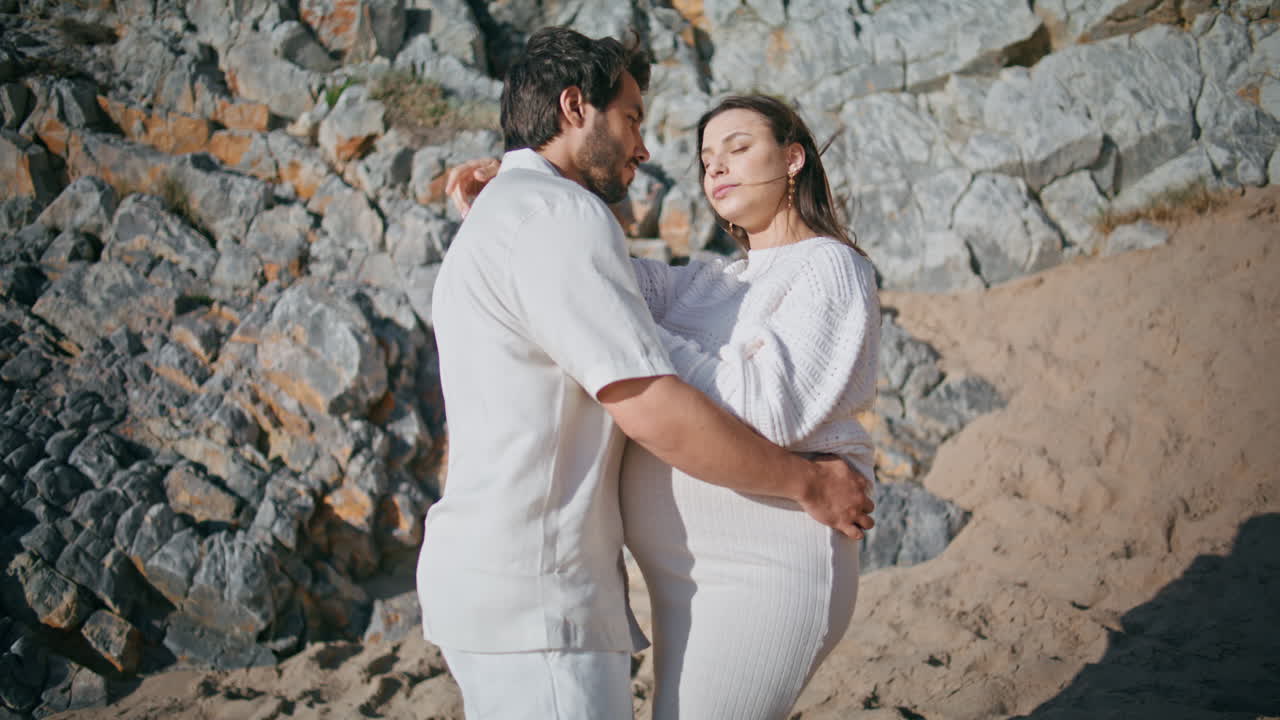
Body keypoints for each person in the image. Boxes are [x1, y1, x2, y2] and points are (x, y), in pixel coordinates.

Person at [415, 27, 874, 720]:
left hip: (739, 576)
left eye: (738, 148)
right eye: (631, 119)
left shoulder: (825, 266)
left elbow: (611, 306)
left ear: (793, 159)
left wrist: (516, 186)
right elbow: (636, 374)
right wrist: (806, 480)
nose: (645, 147)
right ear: (576, 108)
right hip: (539, 591)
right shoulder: (562, 221)